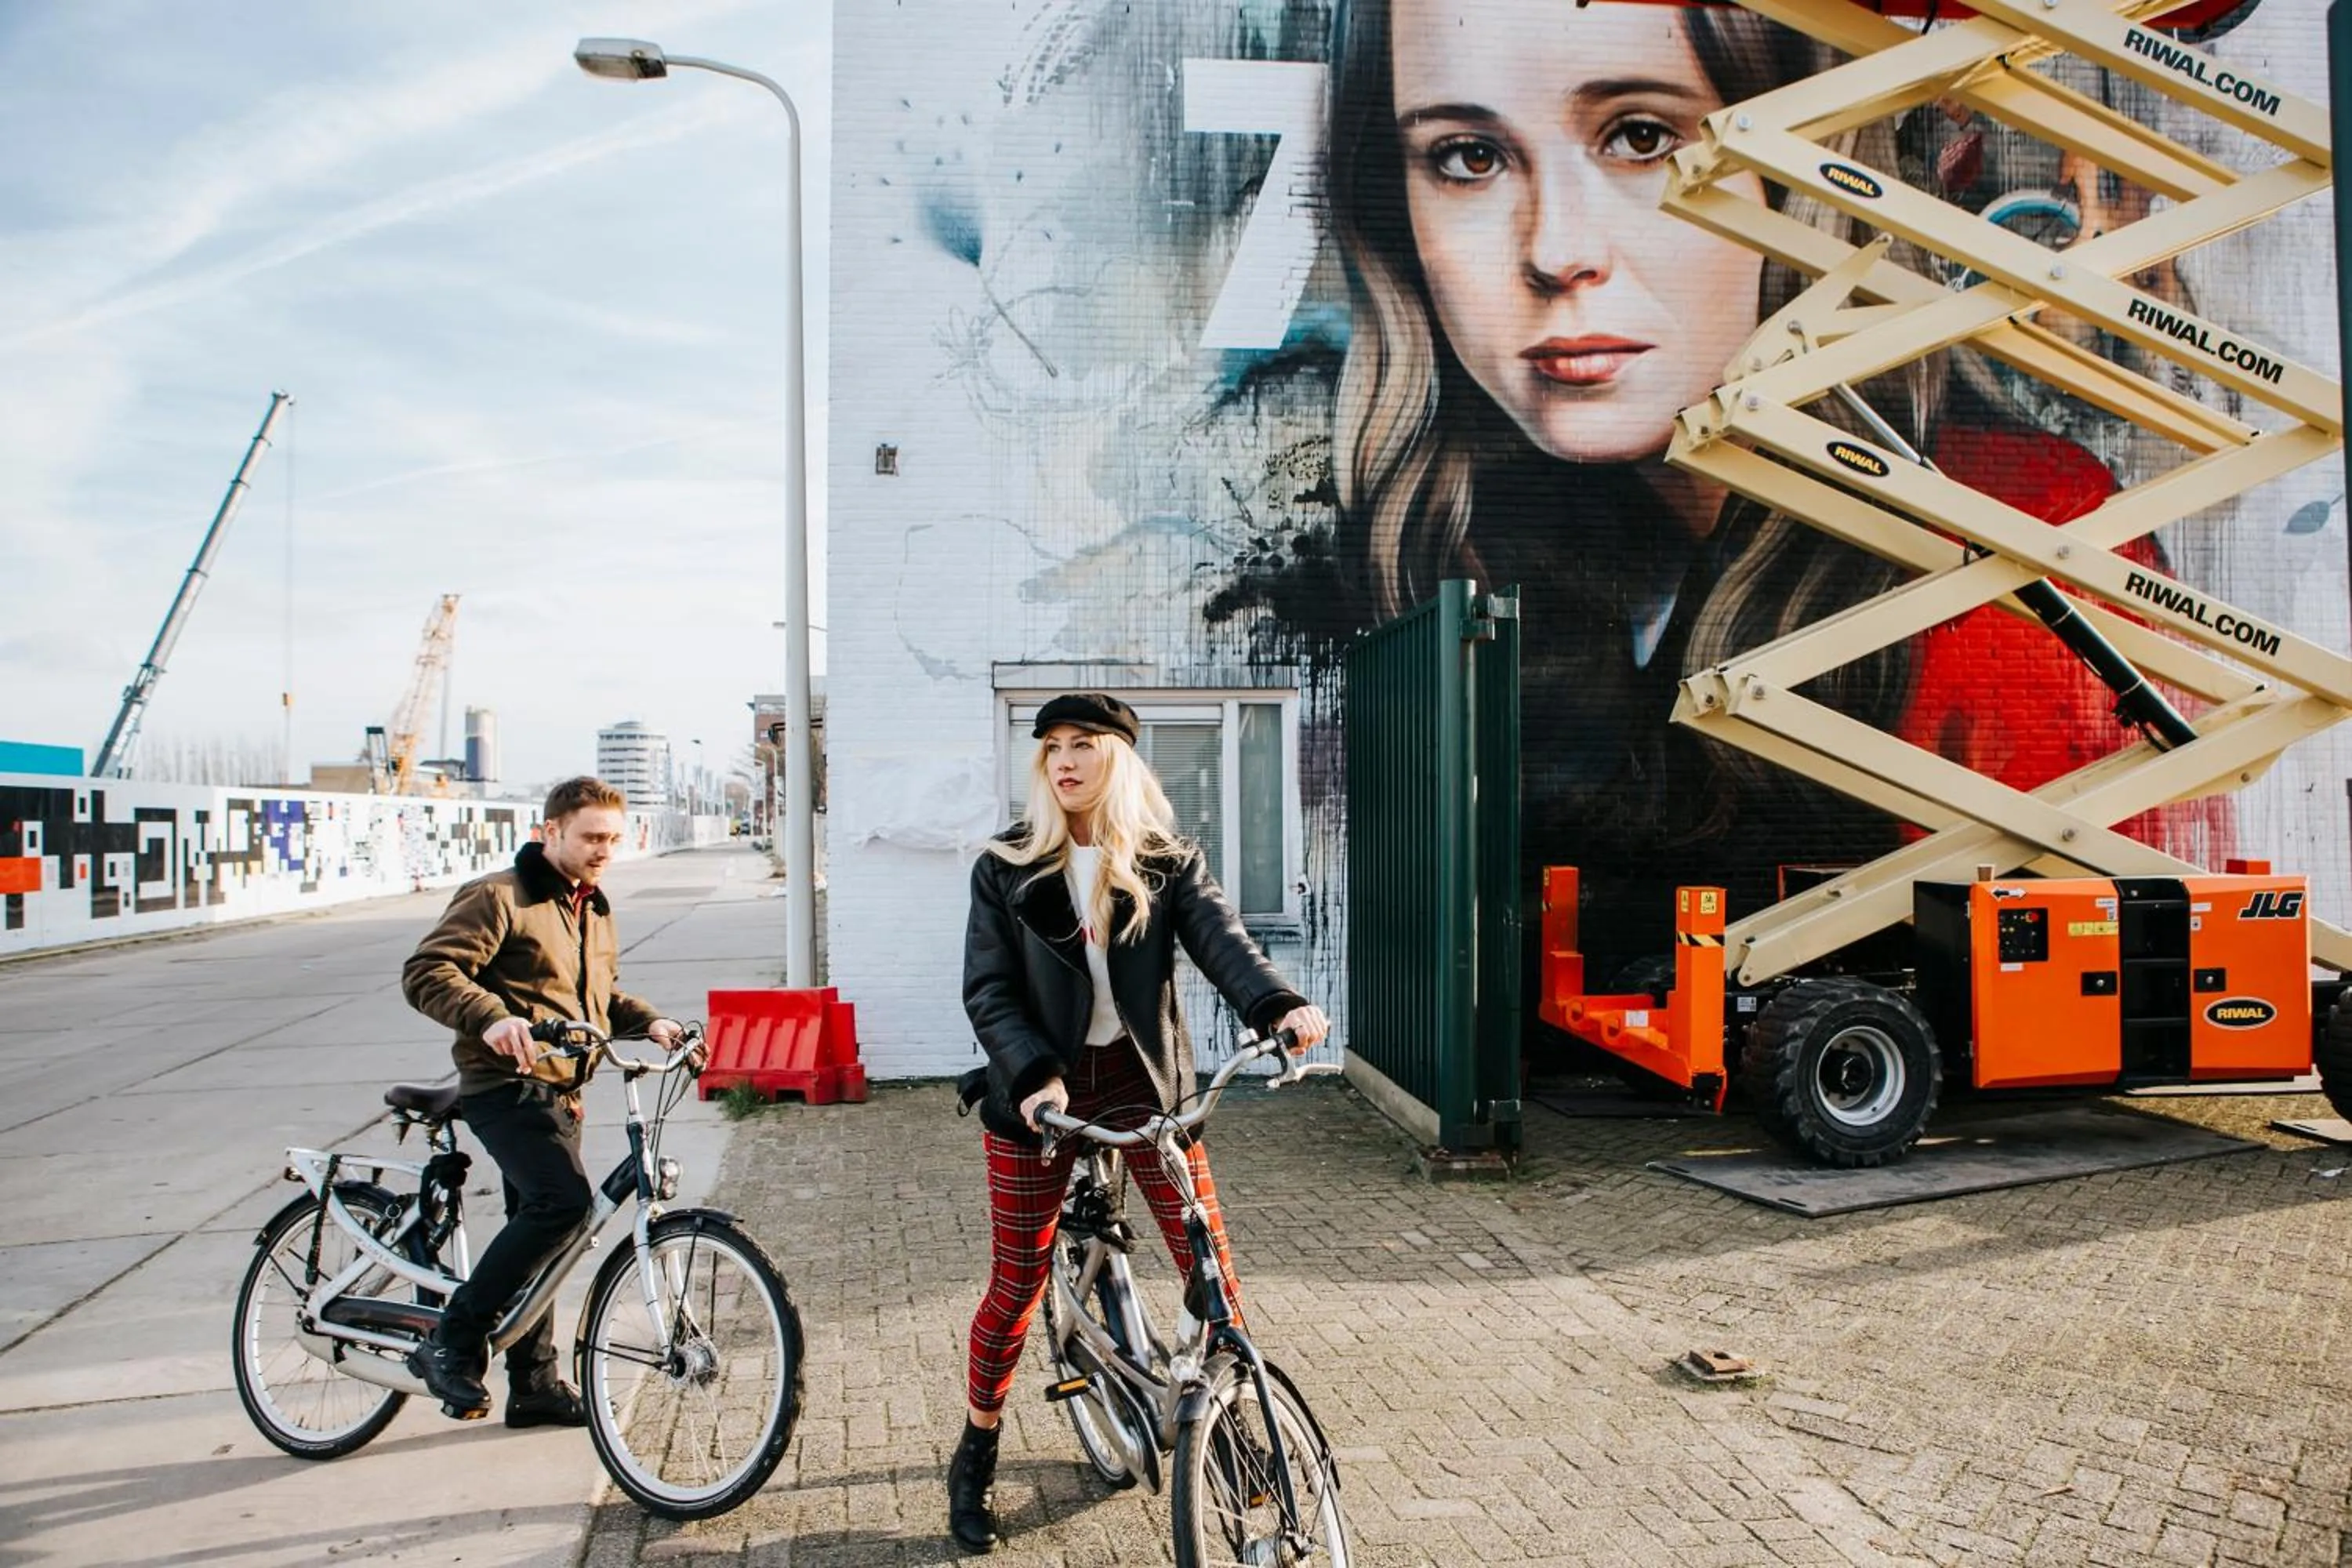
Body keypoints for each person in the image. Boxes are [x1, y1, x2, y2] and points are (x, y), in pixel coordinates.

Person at [1316, 0, 2228, 977]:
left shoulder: (2022, 546)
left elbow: (2093, 960)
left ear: (1807, 176)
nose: (1555, 251)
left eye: (1641, 137)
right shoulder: (1457, 558)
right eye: (1468, 157)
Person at [947, 691, 1330, 1553]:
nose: (1064, 759)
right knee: (1015, 1284)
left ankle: (1231, 1430)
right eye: (1052, 746)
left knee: (1212, 1273)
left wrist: (1277, 1004)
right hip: (1038, 1091)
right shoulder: (1006, 864)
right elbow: (989, 989)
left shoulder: (1165, 860)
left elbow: (1224, 941)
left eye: (1083, 743)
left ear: (1117, 756)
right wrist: (1035, 1077)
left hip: (1141, 1083)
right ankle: (976, 1450)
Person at [400, 776, 684, 1425]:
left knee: (544, 1235)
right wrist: (492, 1018)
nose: (603, 850)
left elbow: (596, 1001)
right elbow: (428, 972)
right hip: (503, 1085)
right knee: (563, 1206)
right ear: (550, 831)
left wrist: (651, 1022)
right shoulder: (501, 896)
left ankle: (533, 1387)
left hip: (562, 1091)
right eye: (591, 837)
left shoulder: (592, 907)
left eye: (613, 839)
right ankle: (452, 1339)